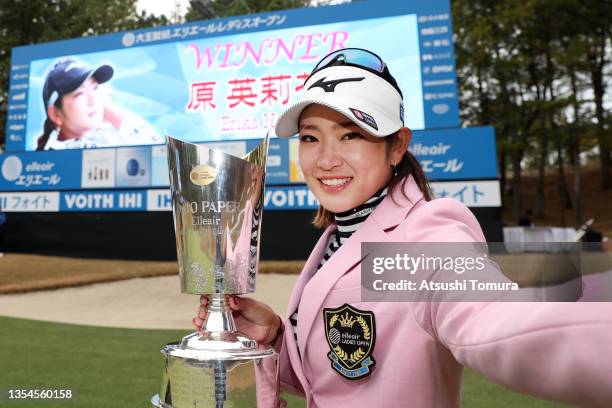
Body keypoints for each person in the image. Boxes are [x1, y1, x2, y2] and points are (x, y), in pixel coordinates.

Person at [194, 49, 612, 407]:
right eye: (310, 137)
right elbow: (335, 378)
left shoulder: (422, 234)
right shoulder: (339, 236)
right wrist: (277, 338)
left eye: (352, 134)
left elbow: (491, 323)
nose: (326, 159)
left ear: (397, 146)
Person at [36, 57, 162, 150]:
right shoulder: (67, 151)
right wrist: (112, 114)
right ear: (55, 114)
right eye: (79, 94)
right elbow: (156, 154)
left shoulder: (101, 136)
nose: (92, 100)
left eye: (94, 88)